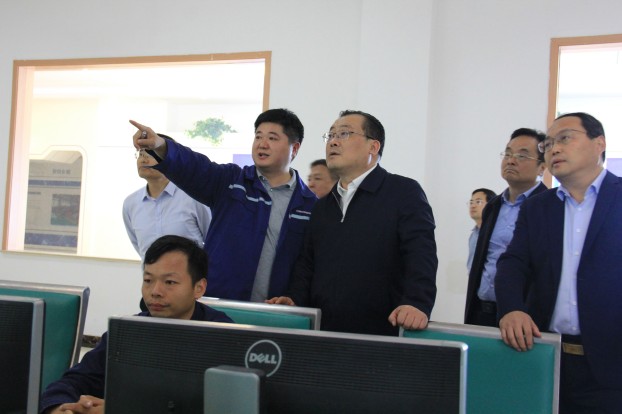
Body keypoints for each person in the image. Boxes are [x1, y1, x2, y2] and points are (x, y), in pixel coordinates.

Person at [268, 110, 437, 336]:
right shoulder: (322, 206)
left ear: (373, 147)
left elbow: (421, 253)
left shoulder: (403, 192)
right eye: (330, 135)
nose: (333, 142)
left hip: (382, 333)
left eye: (344, 134)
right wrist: (294, 299)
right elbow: (307, 264)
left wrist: (417, 302)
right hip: (324, 332)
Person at [496, 112, 622, 413]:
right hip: (547, 356)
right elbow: (513, 263)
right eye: (549, 144)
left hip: (612, 364)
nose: (554, 149)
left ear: (599, 143)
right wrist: (511, 308)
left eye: (565, 138)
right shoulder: (538, 207)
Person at [129, 109, 317, 302]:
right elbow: (195, 167)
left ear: (294, 149)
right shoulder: (231, 182)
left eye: (272, 138)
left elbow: (308, 264)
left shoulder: (309, 205)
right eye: (258, 136)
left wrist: (295, 298)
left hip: (274, 311)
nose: (262, 144)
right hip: (218, 306)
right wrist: (161, 146)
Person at [39, 235, 233, 414]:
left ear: (199, 288)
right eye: (148, 280)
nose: (155, 291)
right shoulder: (127, 332)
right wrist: (60, 408)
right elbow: (75, 381)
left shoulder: (224, 336)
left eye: (170, 282)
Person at [464, 128, 547, 327]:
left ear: (542, 167)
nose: (511, 161)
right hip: (483, 311)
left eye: (522, 155)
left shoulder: (548, 207)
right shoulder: (493, 206)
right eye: (508, 154)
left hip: (525, 316)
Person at [123, 135, 211, 259]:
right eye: (141, 154)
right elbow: (140, 248)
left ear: (171, 159)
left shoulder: (193, 197)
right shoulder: (131, 203)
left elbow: (213, 241)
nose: (143, 160)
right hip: (151, 271)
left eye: (150, 154)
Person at [466, 188, 496, 271]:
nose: (473, 206)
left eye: (478, 202)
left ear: (490, 205)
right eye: (471, 202)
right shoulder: (473, 234)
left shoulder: (496, 233)